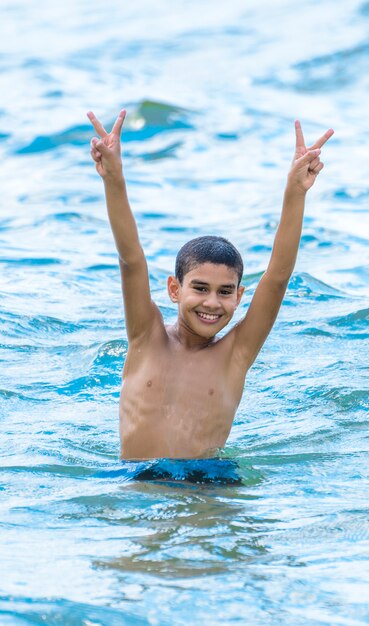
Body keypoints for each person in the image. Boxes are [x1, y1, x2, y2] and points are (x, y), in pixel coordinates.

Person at [87, 109, 333, 462]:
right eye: (200, 288)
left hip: (208, 485)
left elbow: (277, 277)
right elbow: (131, 260)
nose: (212, 303)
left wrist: (295, 191)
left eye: (225, 292)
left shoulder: (236, 354)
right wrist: (113, 179)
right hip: (135, 480)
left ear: (239, 296)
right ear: (175, 289)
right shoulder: (146, 335)